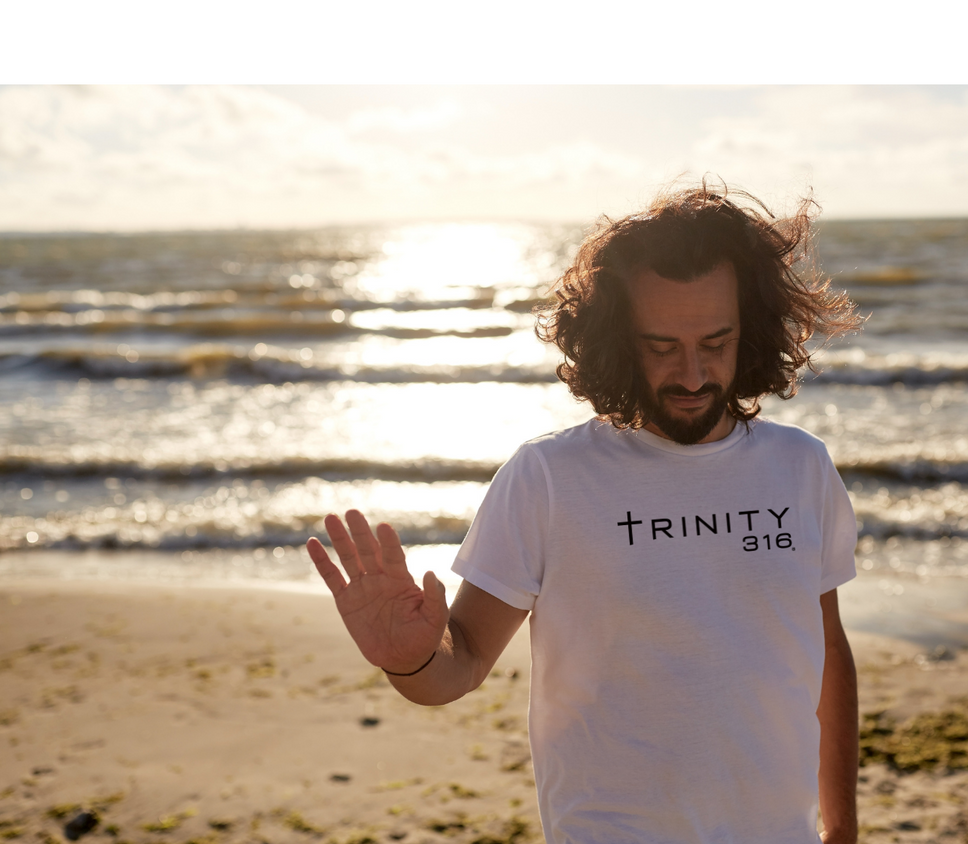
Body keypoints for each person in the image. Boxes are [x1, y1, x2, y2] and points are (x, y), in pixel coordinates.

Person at [307, 181, 864, 844]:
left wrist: (842, 830)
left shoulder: (801, 468)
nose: (692, 375)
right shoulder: (548, 479)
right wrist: (409, 660)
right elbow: (462, 659)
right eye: (661, 347)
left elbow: (827, 651)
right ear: (616, 339)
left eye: (715, 343)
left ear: (751, 330)